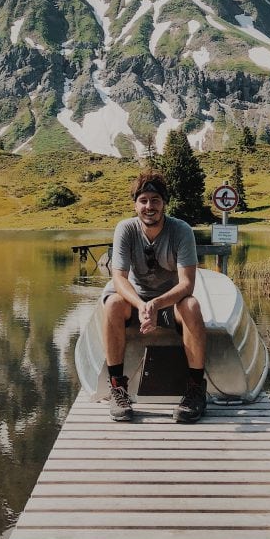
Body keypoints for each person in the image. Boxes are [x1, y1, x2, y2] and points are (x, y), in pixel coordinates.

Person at [102, 171, 207, 423]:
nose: (150, 207)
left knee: (191, 306)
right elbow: (119, 278)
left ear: (164, 203)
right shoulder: (125, 229)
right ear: (136, 204)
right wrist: (141, 305)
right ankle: (117, 387)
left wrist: (157, 304)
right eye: (144, 200)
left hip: (169, 303)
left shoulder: (181, 230)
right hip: (135, 303)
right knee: (114, 302)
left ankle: (195, 389)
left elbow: (187, 284)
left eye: (156, 200)